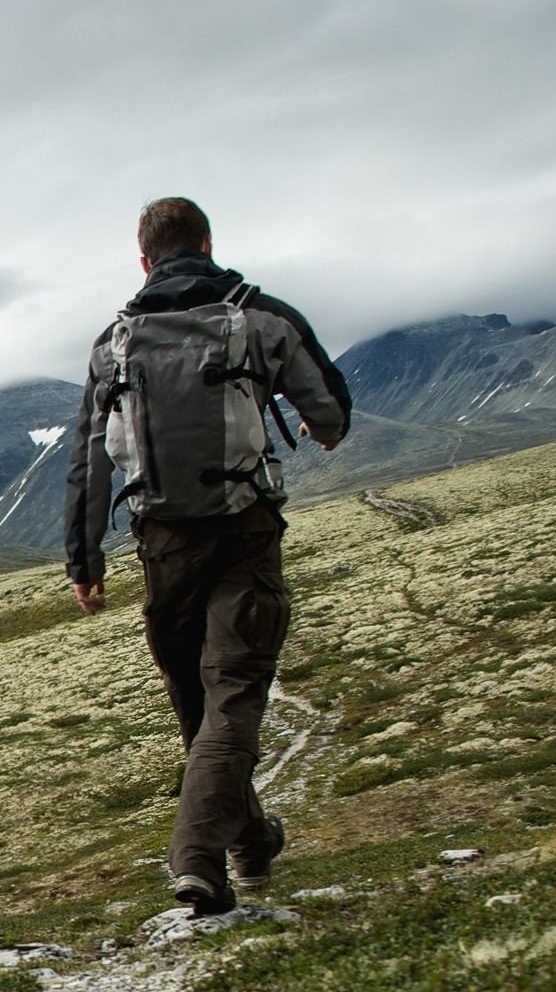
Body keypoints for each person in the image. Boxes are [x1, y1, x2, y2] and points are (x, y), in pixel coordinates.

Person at [64, 197, 352, 915]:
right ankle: (198, 857)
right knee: (233, 697)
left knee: (201, 707)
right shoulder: (259, 317)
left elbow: (90, 461)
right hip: (244, 532)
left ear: (143, 260)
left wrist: (85, 560)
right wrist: (318, 429)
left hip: (162, 546)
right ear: (208, 243)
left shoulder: (113, 344)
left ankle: (247, 844)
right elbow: (332, 412)